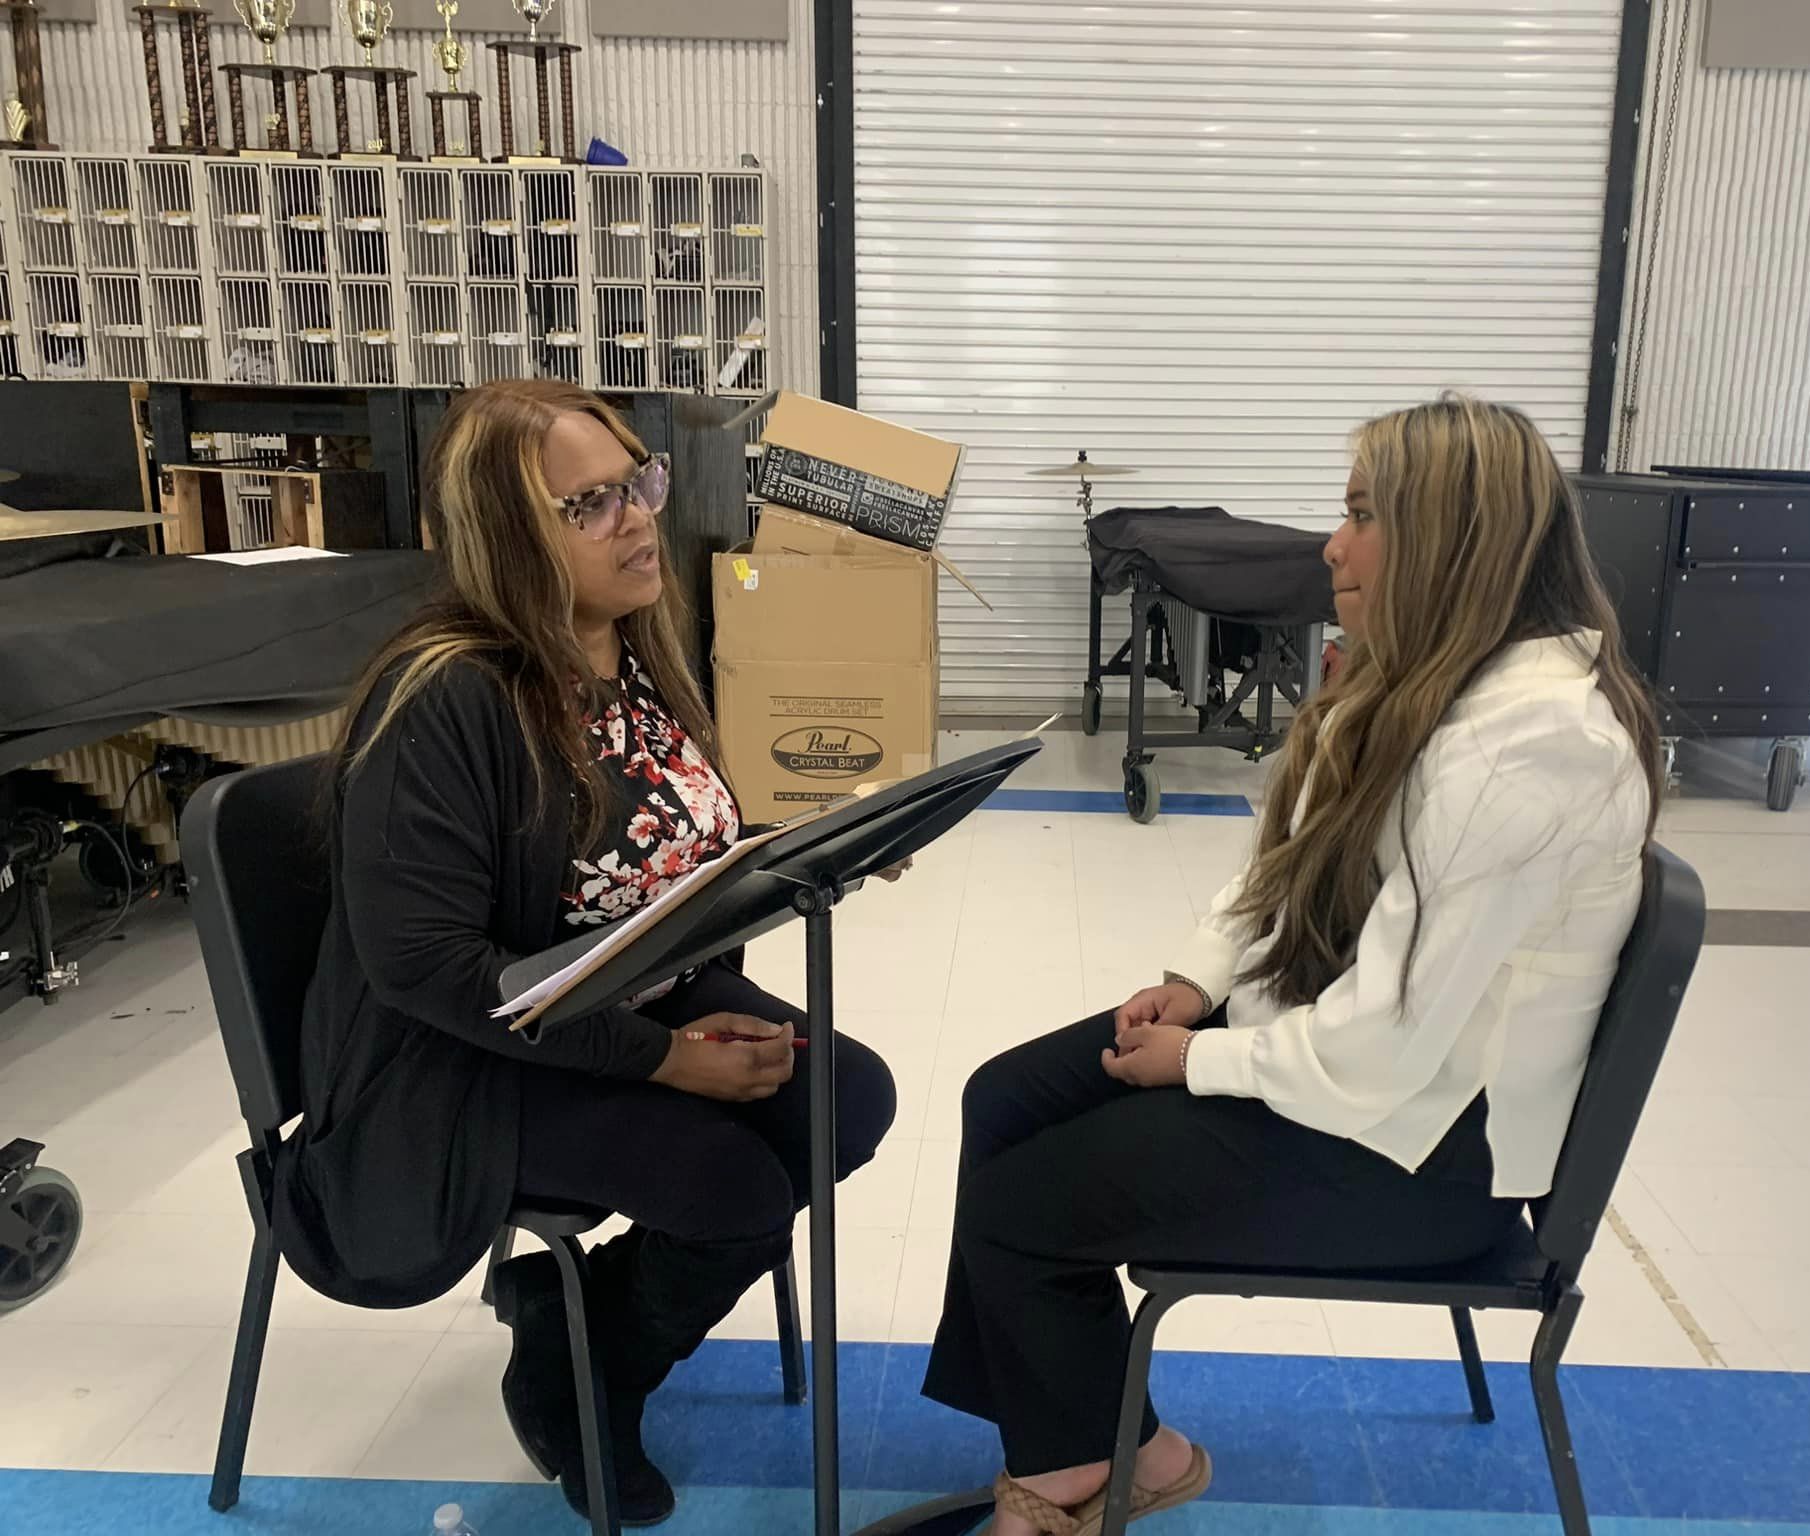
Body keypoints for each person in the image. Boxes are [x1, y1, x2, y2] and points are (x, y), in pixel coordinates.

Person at [920, 394, 1660, 1536]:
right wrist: (1198, 984)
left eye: (1362, 515)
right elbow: (1278, 872)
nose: (1330, 543)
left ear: (1447, 544)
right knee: (1001, 1098)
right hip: (1357, 1083)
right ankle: (1081, 1434)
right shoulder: (1420, 682)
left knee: (1021, 1205)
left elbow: (1385, 1042)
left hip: (1418, 1156)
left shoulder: (1531, 745)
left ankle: (1088, 1463)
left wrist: (1198, 1064)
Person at [276, 379, 897, 1526]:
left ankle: (583, 1312)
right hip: (464, 1061)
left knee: (845, 1099)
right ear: (506, 537)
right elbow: (423, 968)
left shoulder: (628, 649)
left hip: (615, 996)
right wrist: (661, 1062)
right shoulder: (448, 697)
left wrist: (804, 854)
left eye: (637, 483)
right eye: (588, 504)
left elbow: (656, 855)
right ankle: (584, 1368)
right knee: (732, 1192)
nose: (637, 518)